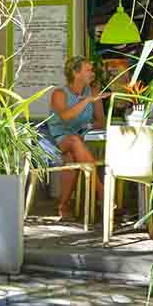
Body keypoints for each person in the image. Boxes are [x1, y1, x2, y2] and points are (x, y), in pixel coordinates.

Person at [48, 55, 108, 219]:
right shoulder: (59, 94)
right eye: (88, 70)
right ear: (76, 74)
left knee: (73, 160)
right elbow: (66, 116)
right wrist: (87, 101)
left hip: (81, 139)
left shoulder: (93, 92)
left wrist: (87, 126)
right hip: (58, 139)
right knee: (74, 141)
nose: (93, 73)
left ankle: (63, 206)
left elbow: (100, 121)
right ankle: (102, 192)